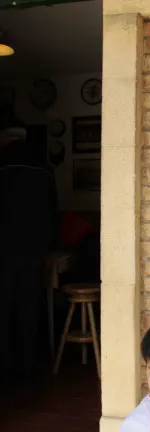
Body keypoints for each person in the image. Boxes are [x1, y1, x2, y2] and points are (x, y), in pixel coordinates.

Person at [0, 117, 58, 385]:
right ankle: (28, 365)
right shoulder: (44, 168)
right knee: (29, 307)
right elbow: (52, 211)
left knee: (3, 309)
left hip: (4, 249)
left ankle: (4, 366)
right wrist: (49, 247)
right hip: (35, 249)